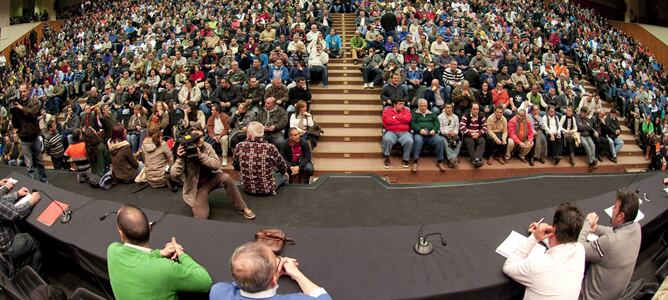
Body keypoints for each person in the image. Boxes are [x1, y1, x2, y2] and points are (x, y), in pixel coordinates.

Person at [107, 204, 212, 299]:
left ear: (121, 234)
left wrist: (159, 253)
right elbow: (205, 282)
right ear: (149, 228)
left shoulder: (112, 250)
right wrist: (181, 254)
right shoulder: (166, 268)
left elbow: (135, 256)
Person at [503, 203, 586, 299]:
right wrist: (544, 235)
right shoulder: (580, 250)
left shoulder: (539, 265)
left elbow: (508, 266)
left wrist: (534, 238)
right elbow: (562, 243)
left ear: (554, 229)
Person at [169, 127, 255, 219]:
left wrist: (201, 156)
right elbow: (174, 174)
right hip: (196, 188)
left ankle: (242, 207)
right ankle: (201, 202)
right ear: (190, 138)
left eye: (201, 137)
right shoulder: (184, 149)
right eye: (196, 138)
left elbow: (216, 165)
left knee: (226, 177)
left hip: (211, 179)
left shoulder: (207, 146)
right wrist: (180, 158)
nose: (200, 140)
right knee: (202, 218)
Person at [210, 242, 332, 300]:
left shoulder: (218, 292)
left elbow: (241, 279)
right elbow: (324, 298)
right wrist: (296, 274)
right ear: (274, 280)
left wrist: (269, 273)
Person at [578, 190, 641, 300]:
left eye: (615, 207)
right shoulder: (636, 228)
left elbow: (578, 248)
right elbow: (615, 232)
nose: (612, 209)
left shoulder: (609, 242)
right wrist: (596, 228)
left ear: (621, 215)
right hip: (614, 295)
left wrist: (587, 223)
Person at [234, 122, 289, 195]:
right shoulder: (270, 147)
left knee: (241, 173)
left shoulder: (239, 146)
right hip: (266, 189)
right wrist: (284, 172)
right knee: (284, 175)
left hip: (247, 188)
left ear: (250, 135)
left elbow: (236, 165)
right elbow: (282, 166)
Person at [0, 179, 42, 273]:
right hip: (6, 249)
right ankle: (34, 277)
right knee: (36, 241)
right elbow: (17, 213)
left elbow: (1, 201)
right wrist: (32, 200)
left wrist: (17, 194)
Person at [14, 84, 47, 182]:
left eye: (24, 91)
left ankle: (44, 181)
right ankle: (33, 184)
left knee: (40, 162)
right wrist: (14, 112)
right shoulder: (17, 104)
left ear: (28, 91)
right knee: (29, 166)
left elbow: (33, 113)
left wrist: (21, 108)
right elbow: (16, 123)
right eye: (20, 92)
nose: (22, 94)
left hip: (34, 137)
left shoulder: (34, 102)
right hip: (24, 139)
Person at [411, 99, 447, 172]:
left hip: (431, 134)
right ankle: (415, 162)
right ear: (418, 106)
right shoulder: (414, 113)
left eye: (425, 106)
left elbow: (437, 123)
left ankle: (439, 162)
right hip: (419, 134)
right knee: (417, 140)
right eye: (422, 106)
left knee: (440, 140)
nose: (424, 107)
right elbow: (412, 124)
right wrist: (420, 130)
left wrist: (434, 130)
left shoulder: (432, 113)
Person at [141, 124, 175, 190]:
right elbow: (171, 159)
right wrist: (167, 168)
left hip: (149, 179)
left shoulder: (144, 144)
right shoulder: (163, 144)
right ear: (159, 132)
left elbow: (145, 160)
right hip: (163, 179)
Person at [382, 99, 413, 169]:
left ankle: (406, 159)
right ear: (395, 105)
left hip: (404, 132)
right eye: (400, 104)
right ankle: (387, 158)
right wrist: (402, 120)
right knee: (387, 139)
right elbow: (387, 121)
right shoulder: (387, 111)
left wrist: (395, 117)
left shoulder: (406, 111)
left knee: (409, 141)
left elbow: (408, 119)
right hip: (391, 131)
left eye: (403, 104)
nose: (402, 106)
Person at [459, 103, 487, 168]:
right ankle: (475, 160)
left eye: (477, 109)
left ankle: (477, 159)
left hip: (478, 134)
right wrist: (470, 134)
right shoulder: (466, 115)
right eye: (474, 109)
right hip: (469, 134)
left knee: (482, 141)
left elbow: (485, 127)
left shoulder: (481, 115)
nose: (475, 111)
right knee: (470, 142)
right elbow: (461, 126)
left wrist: (478, 134)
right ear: (471, 109)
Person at [438, 103, 461, 168]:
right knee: (444, 141)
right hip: (444, 135)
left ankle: (451, 160)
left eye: (450, 108)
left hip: (453, 135)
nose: (449, 109)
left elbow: (457, 127)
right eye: (447, 108)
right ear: (444, 109)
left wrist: (454, 133)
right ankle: (453, 158)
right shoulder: (440, 117)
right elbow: (440, 129)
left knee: (459, 142)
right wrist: (447, 132)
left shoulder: (456, 117)